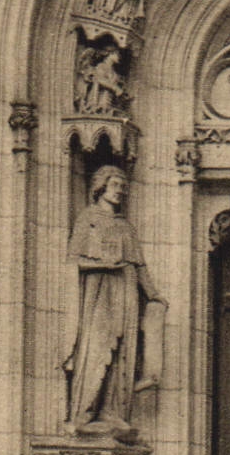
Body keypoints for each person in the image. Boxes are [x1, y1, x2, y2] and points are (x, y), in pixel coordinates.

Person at [64, 165, 163, 439]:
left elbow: (139, 266)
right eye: (115, 185)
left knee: (123, 351)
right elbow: (73, 261)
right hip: (101, 292)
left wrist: (154, 295)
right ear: (101, 186)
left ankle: (112, 412)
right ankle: (84, 413)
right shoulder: (88, 219)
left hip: (127, 291)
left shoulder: (125, 226)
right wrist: (103, 265)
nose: (120, 191)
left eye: (123, 187)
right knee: (97, 347)